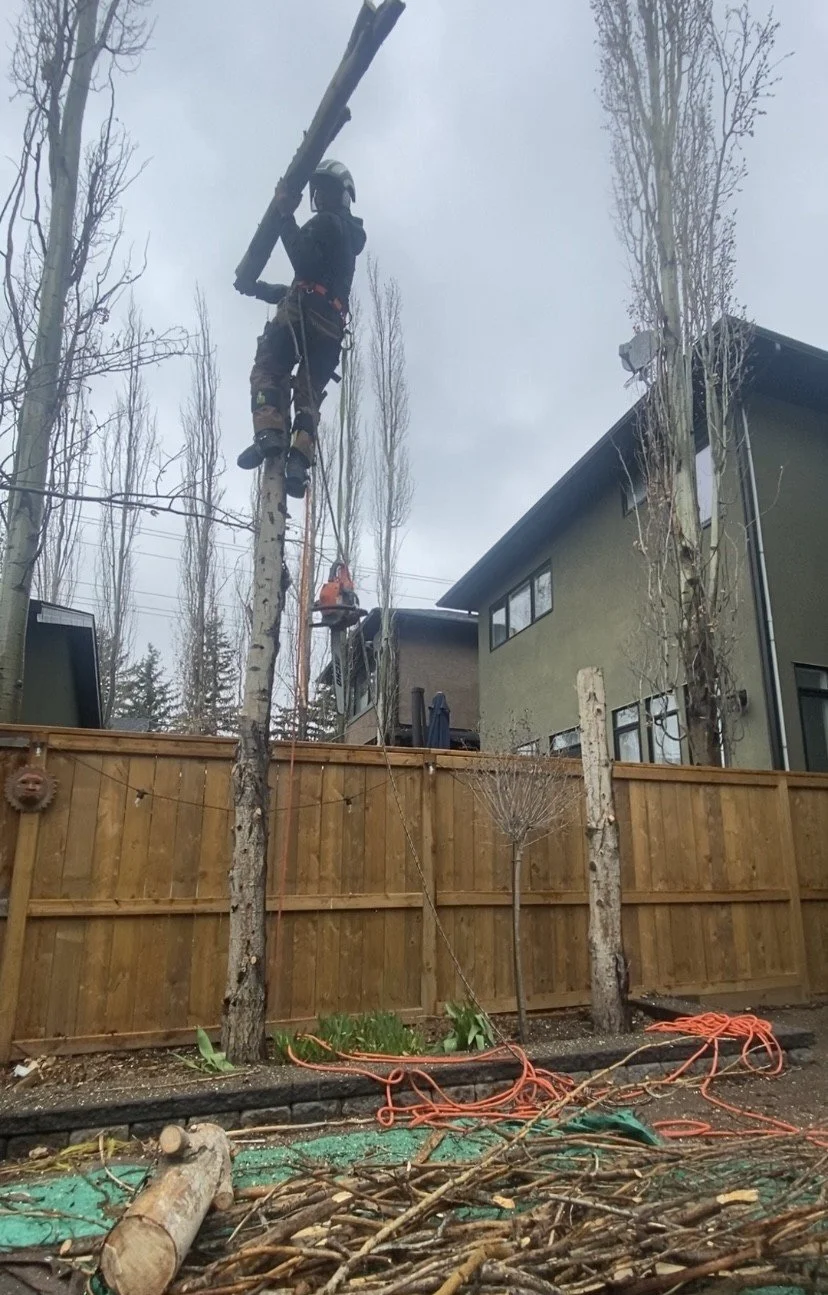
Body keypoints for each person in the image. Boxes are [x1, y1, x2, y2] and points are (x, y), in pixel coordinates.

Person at [237, 159, 367, 498]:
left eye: (323, 192)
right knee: (308, 392)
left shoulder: (325, 223)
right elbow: (303, 288)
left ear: (338, 196)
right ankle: (298, 461)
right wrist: (258, 289)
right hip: (330, 325)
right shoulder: (346, 243)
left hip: (303, 315)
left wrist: (284, 215)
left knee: (268, 368)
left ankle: (269, 433)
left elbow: (303, 263)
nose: (319, 198)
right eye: (317, 193)